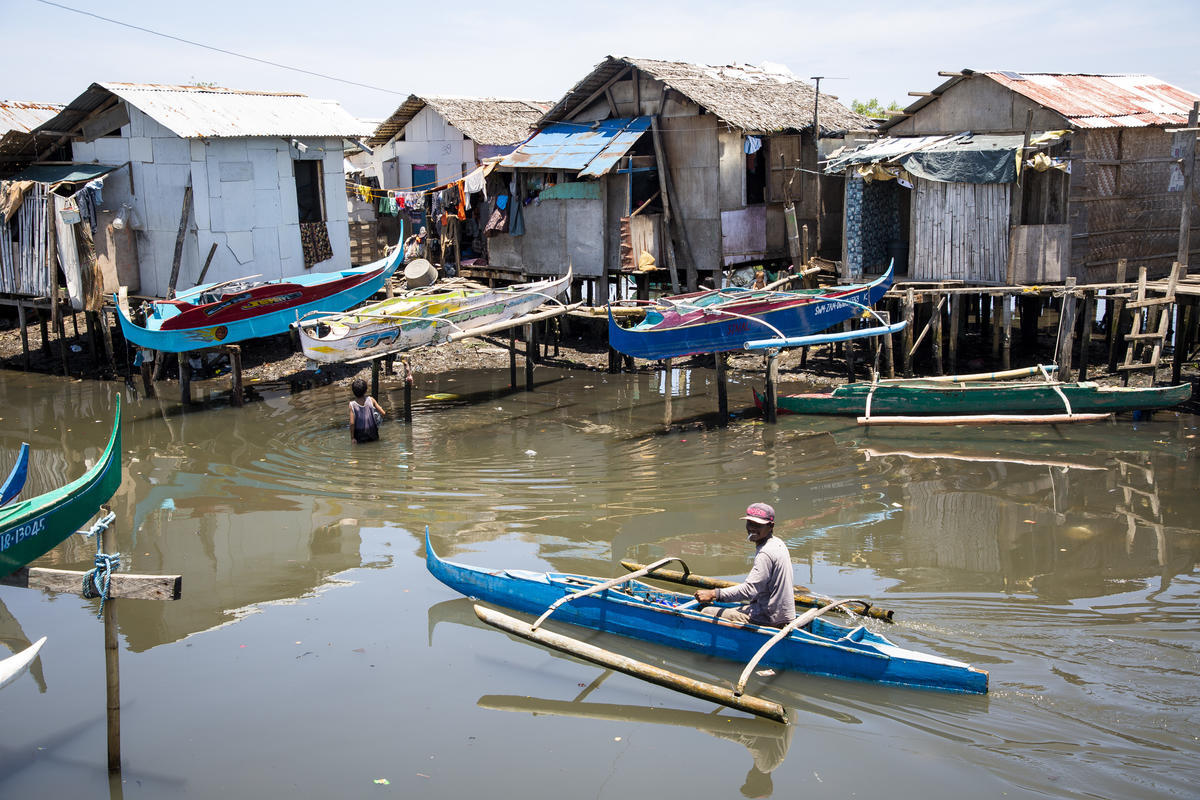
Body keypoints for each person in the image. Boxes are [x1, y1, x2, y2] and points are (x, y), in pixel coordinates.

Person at [693, 503, 795, 627]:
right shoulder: (778, 543)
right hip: (783, 614)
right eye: (750, 523)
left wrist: (714, 594)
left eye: (758, 525)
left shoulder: (765, 553)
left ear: (770, 526)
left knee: (705, 611)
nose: (752, 528)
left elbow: (749, 590)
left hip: (768, 617)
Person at [348, 378, 385, 444]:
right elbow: (383, 413)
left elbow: (352, 423)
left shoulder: (352, 405)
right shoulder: (371, 399)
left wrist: (352, 438)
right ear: (366, 390)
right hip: (373, 431)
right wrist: (377, 420)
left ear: (353, 392)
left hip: (359, 434)